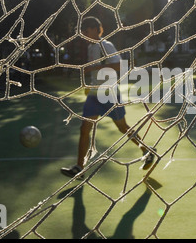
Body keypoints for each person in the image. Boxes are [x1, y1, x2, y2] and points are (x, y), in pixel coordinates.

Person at [60, 17, 154, 178]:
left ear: (97, 29)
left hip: (110, 94)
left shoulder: (106, 45)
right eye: (83, 31)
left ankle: (148, 151)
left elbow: (119, 65)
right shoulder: (91, 48)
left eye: (87, 30)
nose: (84, 34)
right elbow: (95, 71)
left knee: (123, 127)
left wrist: (96, 67)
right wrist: (90, 83)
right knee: (84, 129)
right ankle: (79, 168)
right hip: (95, 95)